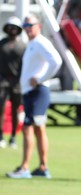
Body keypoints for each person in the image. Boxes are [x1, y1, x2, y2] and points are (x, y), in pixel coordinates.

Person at [6, 14, 62, 179]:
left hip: (38, 91)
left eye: (30, 25)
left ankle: (25, 168)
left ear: (39, 26)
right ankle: (42, 167)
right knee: (37, 129)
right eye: (25, 25)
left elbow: (56, 61)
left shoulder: (40, 42)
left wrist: (40, 79)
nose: (27, 28)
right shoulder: (33, 43)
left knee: (28, 128)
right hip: (31, 92)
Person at [0, 16, 26, 149]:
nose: (12, 30)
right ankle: (1, 136)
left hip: (17, 81)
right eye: (10, 27)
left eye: (15, 27)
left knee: (16, 110)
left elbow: (25, 65)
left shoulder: (22, 46)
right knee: (1, 108)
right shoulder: (2, 43)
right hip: (2, 80)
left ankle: (13, 137)